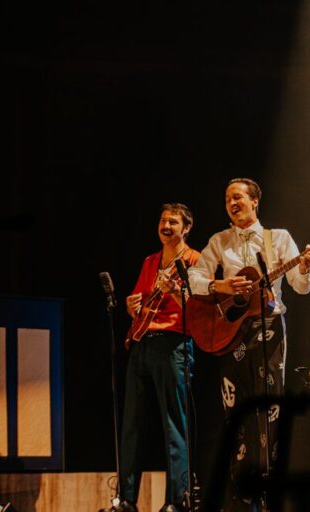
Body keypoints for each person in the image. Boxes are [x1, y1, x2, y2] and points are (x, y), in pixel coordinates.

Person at [187, 178, 310, 511]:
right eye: (227, 199)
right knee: (235, 412)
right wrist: (222, 285)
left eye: (238, 197)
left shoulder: (279, 238)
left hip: (269, 327)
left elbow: (300, 286)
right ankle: (242, 496)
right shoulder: (219, 240)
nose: (232, 203)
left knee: (270, 408)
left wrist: (304, 268)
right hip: (231, 333)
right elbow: (194, 279)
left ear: (255, 201)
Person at [118, 203, 202, 512]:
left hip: (174, 344)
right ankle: (126, 499)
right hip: (142, 343)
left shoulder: (195, 260)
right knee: (131, 424)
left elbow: (200, 305)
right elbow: (139, 302)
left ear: (186, 228)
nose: (166, 226)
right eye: (163, 221)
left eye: (173, 222)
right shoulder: (150, 261)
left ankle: (176, 500)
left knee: (173, 423)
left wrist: (176, 291)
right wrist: (131, 305)